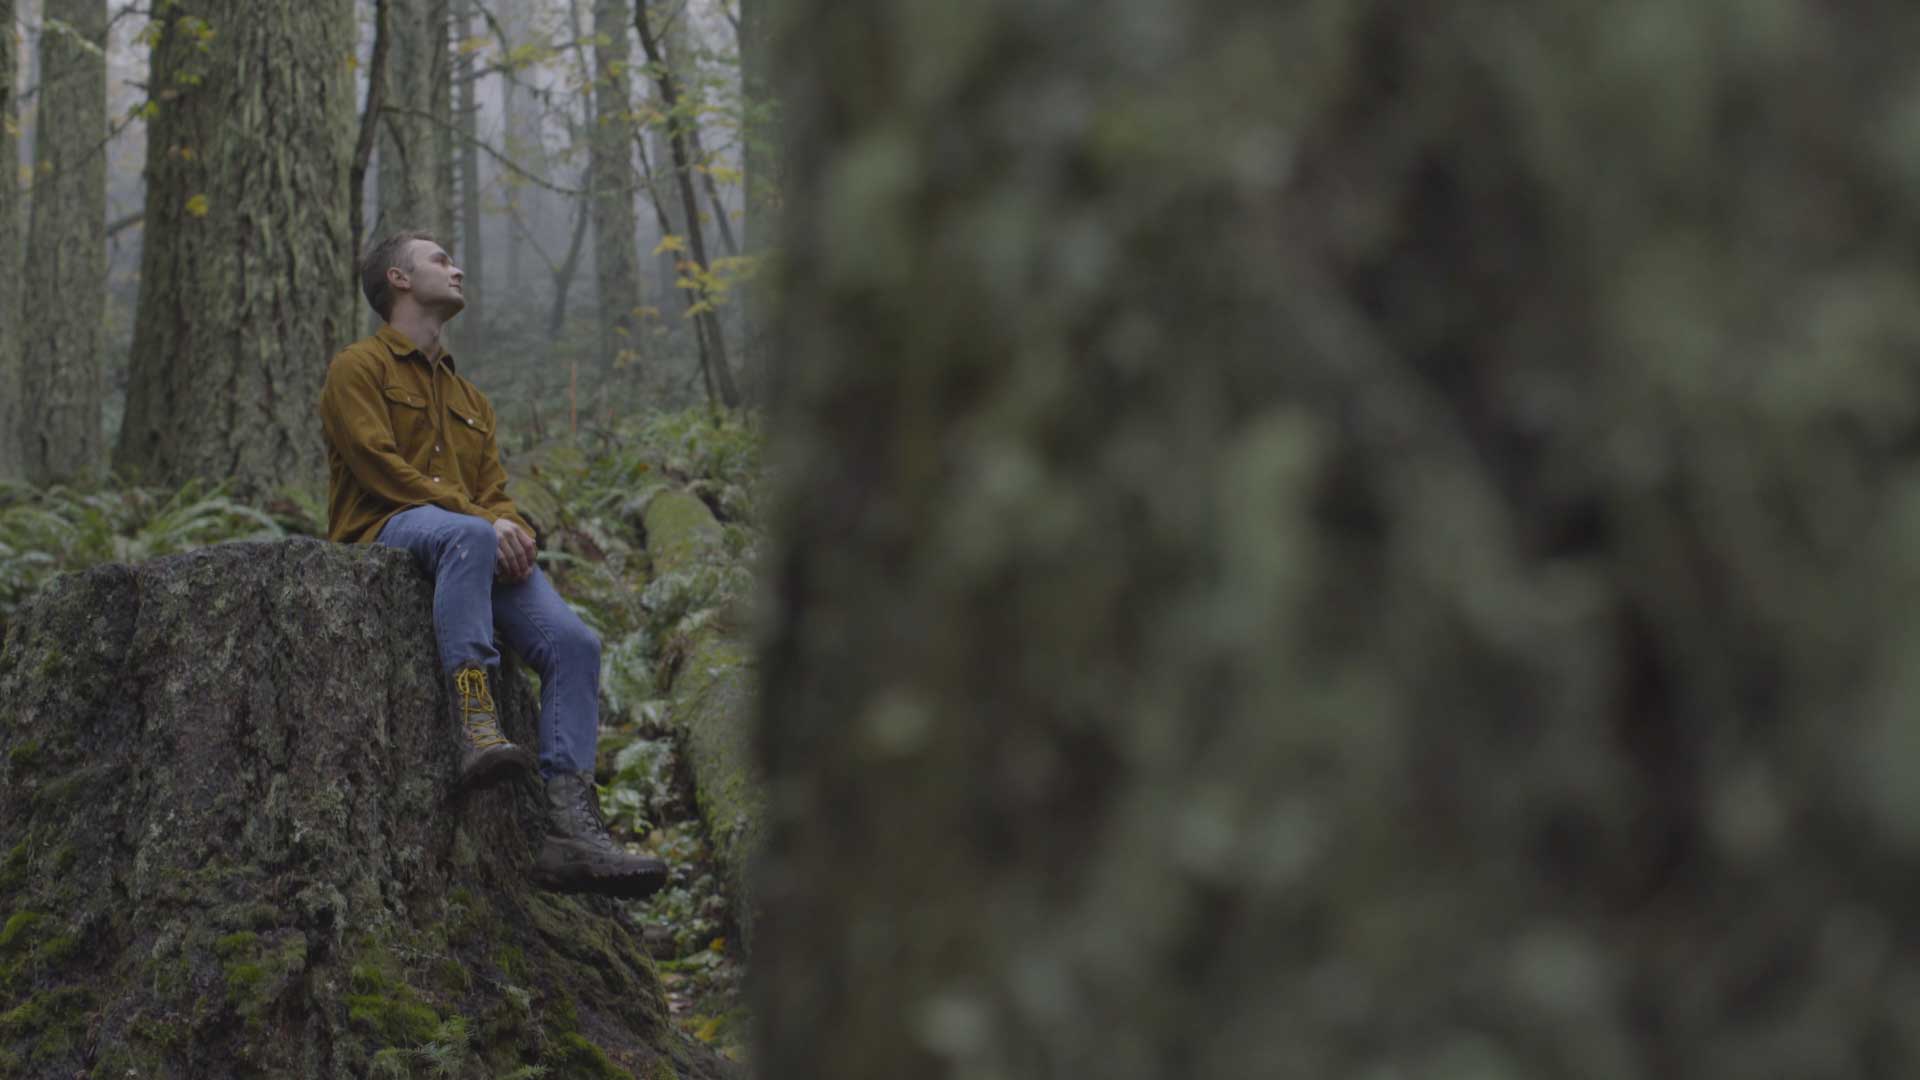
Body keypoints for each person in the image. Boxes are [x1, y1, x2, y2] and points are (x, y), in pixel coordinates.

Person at [318, 229, 665, 899]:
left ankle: (571, 826)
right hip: (383, 527)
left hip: (467, 538)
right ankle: (475, 719)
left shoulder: (471, 400)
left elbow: (495, 491)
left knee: (574, 641)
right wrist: (482, 522)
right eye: (440, 260)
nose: (458, 268)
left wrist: (516, 529)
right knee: (469, 538)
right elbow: (376, 466)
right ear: (397, 278)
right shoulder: (357, 367)